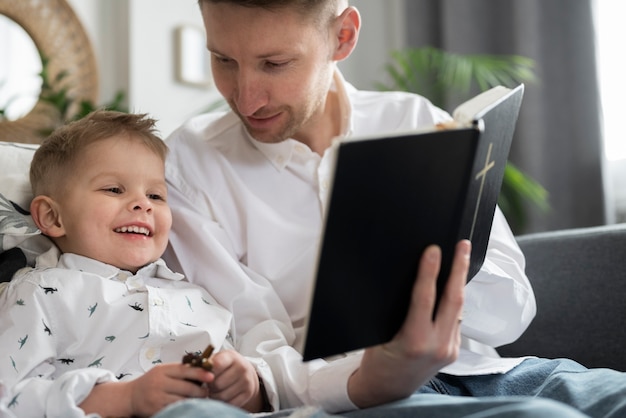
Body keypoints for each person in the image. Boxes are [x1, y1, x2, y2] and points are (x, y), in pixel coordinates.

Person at [160, 1, 623, 417]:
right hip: (358, 397)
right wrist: (369, 376)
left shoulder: (417, 121)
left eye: (275, 64)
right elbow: (251, 354)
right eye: (223, 60)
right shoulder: (188, 165)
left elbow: (513, 306)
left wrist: (427, 279)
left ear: (343, 37)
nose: (246, 97)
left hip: (489, 372)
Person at [0, 110, 271, 418]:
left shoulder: (200, 299)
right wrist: (124, 398)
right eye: (114, 189)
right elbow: (9, 397)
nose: (143, 204)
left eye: (156, 195)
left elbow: (241, 399)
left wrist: (247, 389)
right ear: (52, 216)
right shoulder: (39, 293)